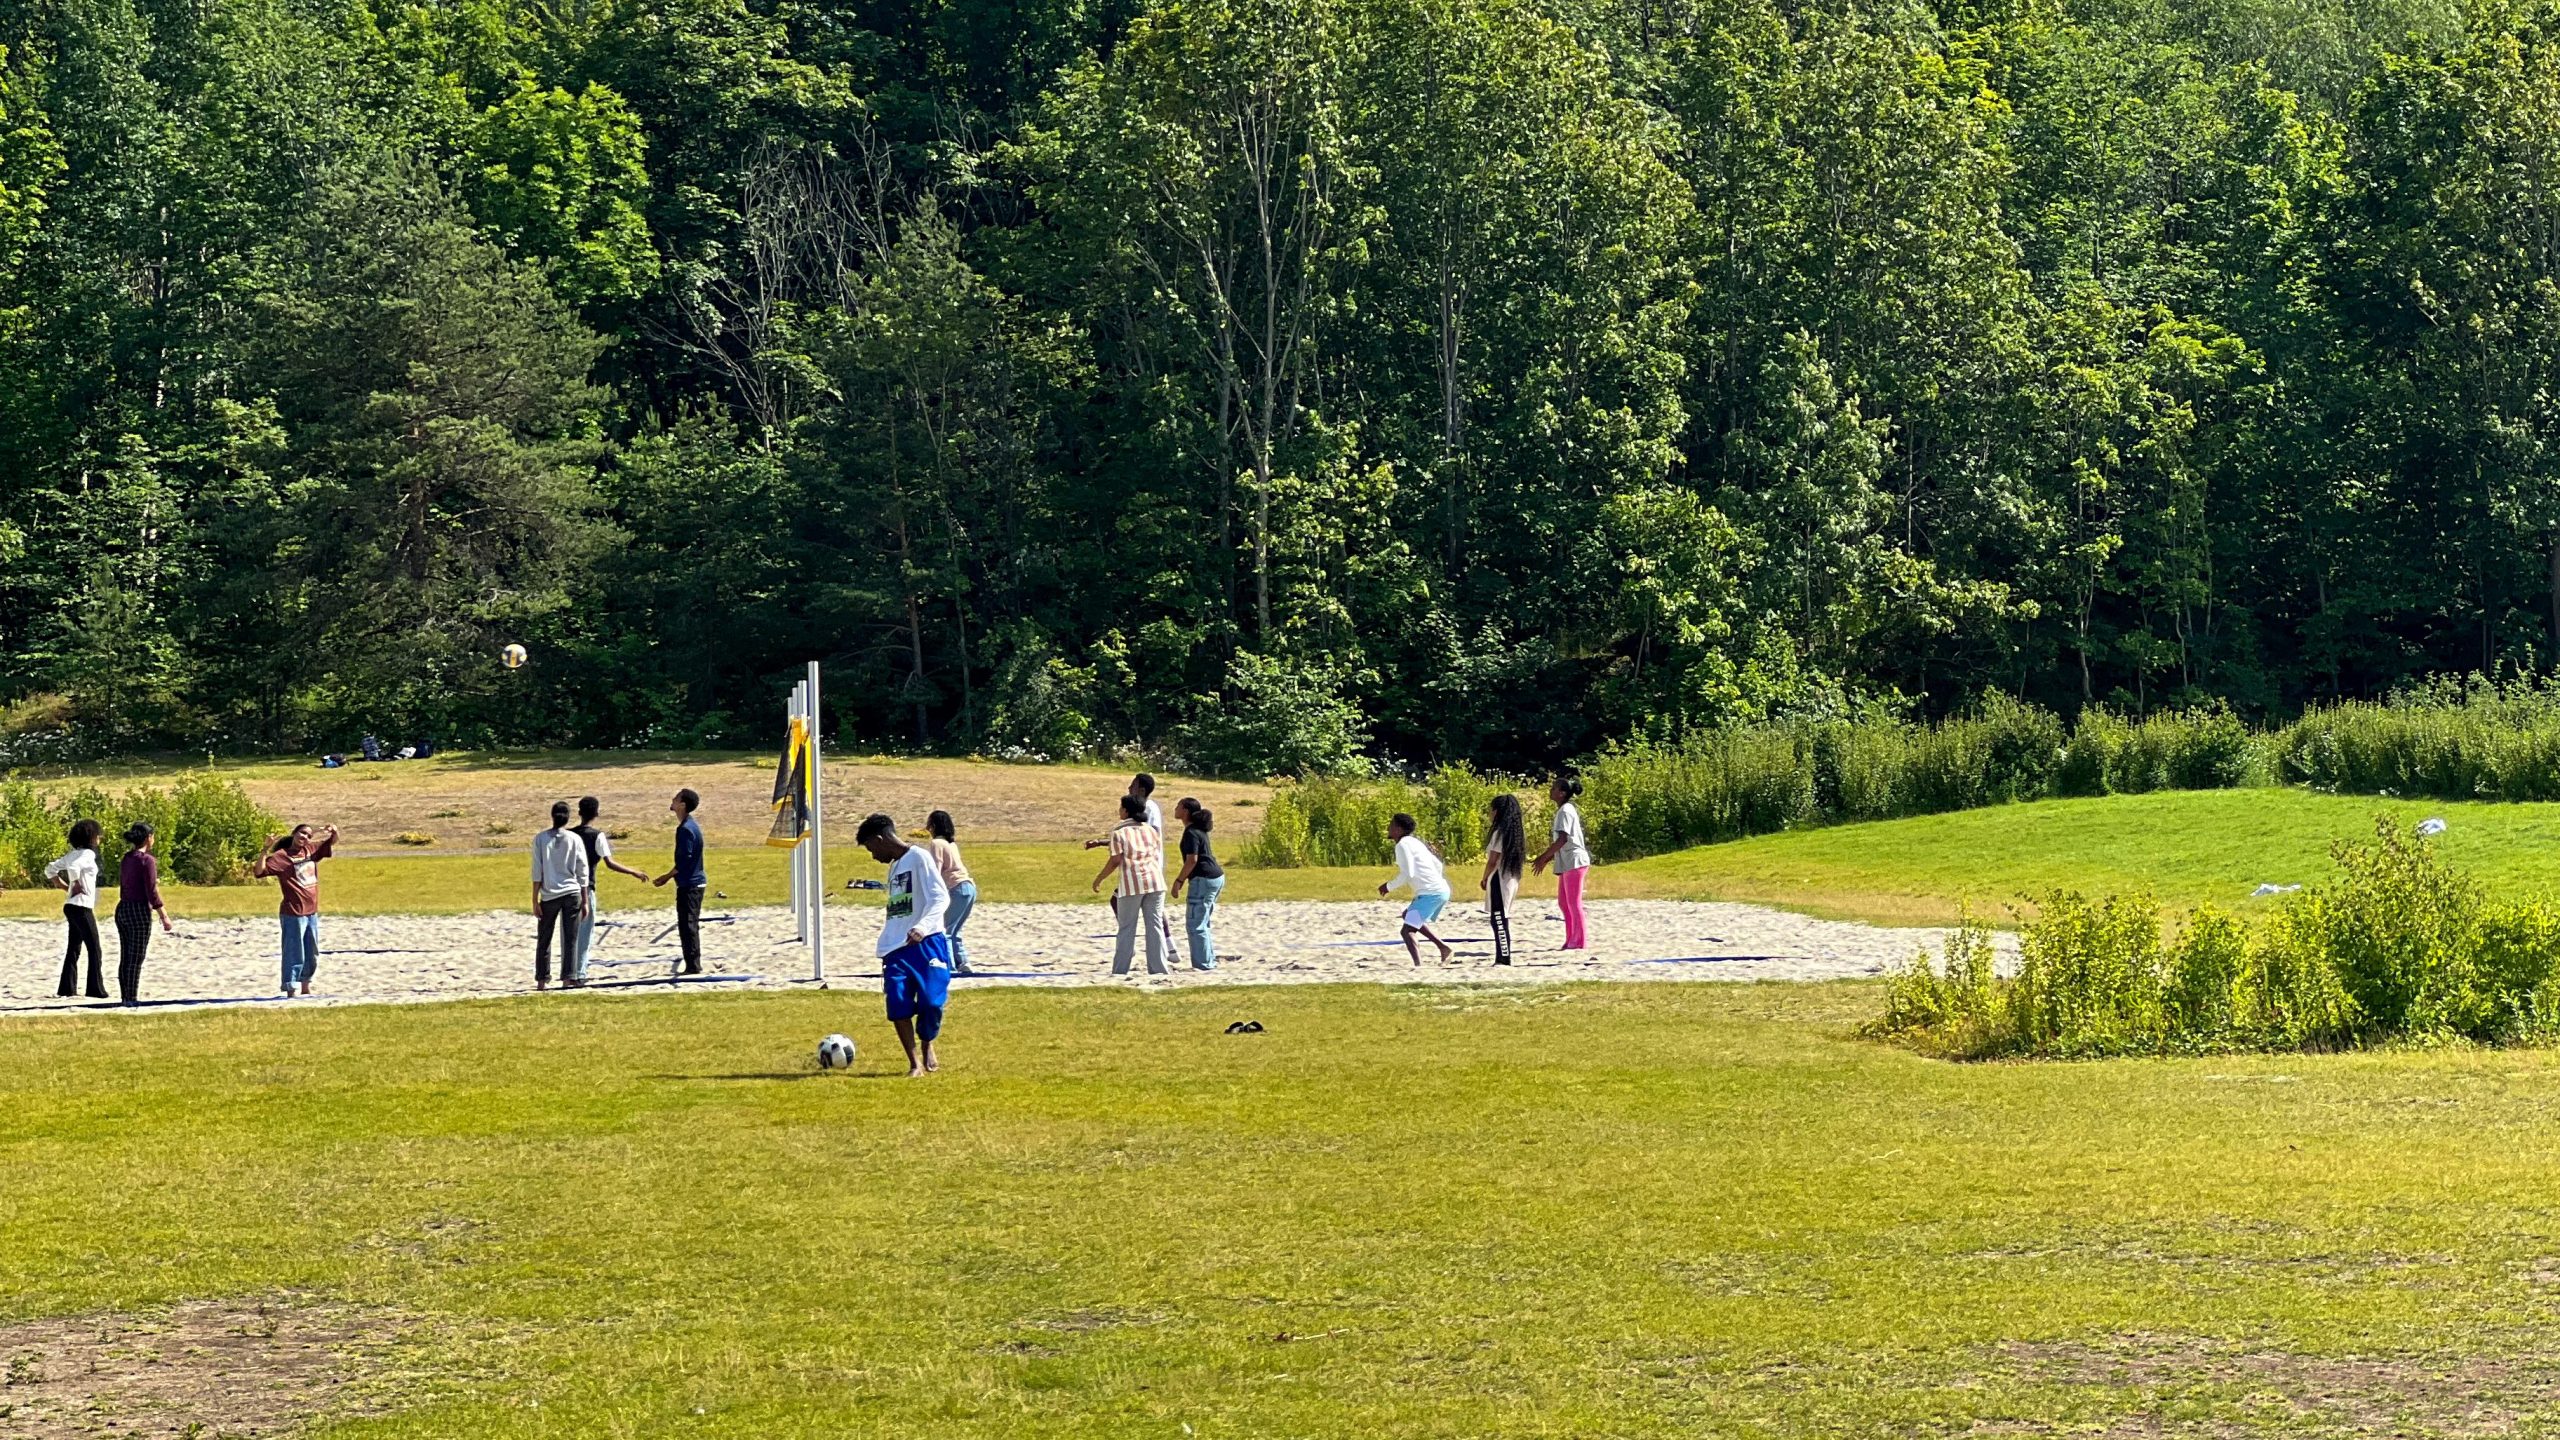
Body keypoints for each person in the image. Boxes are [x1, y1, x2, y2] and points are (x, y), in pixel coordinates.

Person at [857, 812, 953, 1077]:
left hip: (928, 942)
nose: (873, 856)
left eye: (871, 848)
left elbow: (940, 898)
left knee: (932, 1003)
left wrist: (922, 927)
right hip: (895, 948)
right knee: (898, 1003)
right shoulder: (895, 866)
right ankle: (914, 1064)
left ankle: (927, 1044)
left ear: (880, 839)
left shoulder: (919, 858)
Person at [571, 796, 649, 986]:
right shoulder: (597, 836)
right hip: (586, 888)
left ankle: (568, 972)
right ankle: (579, 973)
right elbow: (610, 863)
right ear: (596, 813)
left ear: (579, 812)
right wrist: (634, 872)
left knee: (569, 933)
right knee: (584, 933)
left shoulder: (569, 835)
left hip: (567, 889)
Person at [1091, 793, 1168, 976]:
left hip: (1132, 882)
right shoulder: (1151, 830)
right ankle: (1159, 968)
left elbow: (1115, 860)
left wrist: (1099, 878)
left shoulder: (1119, 833)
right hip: (1155, 881)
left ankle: (1120, 969)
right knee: (1154, 925)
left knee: (1127, 927)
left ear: (1126, 811)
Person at [256, 823, 337, 996]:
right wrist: (265, 849)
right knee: (294, 952)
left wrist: (334, 831)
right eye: (302, 833)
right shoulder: (282, 857)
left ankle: (306, 986)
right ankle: (291, 988)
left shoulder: (311, 850)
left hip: (311, 912)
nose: (305, 837)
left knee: (311, 952)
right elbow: (259, 871)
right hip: (293, 912)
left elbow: (331, 842)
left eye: (308, 835)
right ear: (294, 833)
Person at [1378, 811, 1453, 966]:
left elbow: (1408, 873)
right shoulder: (1414, 842)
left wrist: (1388, 886)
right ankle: (1443, 948)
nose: (1388, 828)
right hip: (1440, 890)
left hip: (1431, 893)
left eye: (1391, 825)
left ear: (1398, 829)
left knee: (1407, 931)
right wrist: (1428, 885)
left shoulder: (1402, 845)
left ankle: (1418, 966)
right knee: (1409, 916)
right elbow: (1438, 865)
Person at [112, 822, 175, 1006]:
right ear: (149, 838)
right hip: (139, 910)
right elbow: (151, 890)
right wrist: (163, 915)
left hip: (123, 907)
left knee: (126, 955)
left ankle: (125, 995)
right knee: (136, 956)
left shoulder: (127, 858)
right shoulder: (146, 861)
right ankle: (130, 997)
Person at [531, 800, 590, 991]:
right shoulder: (574, 839)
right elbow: (583, 871)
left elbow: (537, 870)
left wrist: (534, 899)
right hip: (572, 892)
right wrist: (586, 900)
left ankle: (542, 979)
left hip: (549, 894)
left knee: (544, 938)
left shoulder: (541, 839)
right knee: (570, 937)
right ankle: (568, 977)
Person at [44, 819, 105, 999]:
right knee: (94, 948)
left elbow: (50, 869)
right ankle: (95, 989)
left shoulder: (72, 854)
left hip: (71, 905)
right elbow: (73, 867)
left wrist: (61, 884)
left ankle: (67, 988)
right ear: (92, 837)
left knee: (74, 948)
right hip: (81, 906)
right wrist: (76, 883)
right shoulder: (87, 854)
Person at [1533, 775, 1593, 950]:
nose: (1551, 791)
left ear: (1562, 793)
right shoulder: (1564, 810)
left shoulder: (1566, 810)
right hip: (1566, 862)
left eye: (1554, 788)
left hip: (1574, 861)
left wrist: (1543, 857)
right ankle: (1570, 938)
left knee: (1574, 903)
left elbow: (1563, 839)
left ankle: (1579, 941)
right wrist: (1548, 858)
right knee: (1564, 903)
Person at [651, 788, 708, 975]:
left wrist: (666, 877)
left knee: (688, 925)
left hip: (690, 884)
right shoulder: (689, 825)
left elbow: (684, 860)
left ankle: (693, 966)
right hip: (692, 882)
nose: (672, 800)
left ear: (682, 805)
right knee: (688, 923)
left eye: (676, 798)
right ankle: (692, 964)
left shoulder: (685, 829)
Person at [1168, 797, 1223, 971]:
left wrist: (1179, 881)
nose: (1175, 809)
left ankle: (1203, 964)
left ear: (1185, 811)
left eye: (1178, 806)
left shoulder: (1192, 832)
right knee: (1203, 922)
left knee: (1195, 924)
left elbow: (1192, 860)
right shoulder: (1199, 830)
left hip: (1203, 878)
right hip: (1215, 877)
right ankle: (1208, 960)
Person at [923, 810, 978, 976]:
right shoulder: (951, 844)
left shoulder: (937, 844)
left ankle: (950, 966)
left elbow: (936, 871)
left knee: (945, 929)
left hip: (956, 888)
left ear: (933, 826)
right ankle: (963, 962)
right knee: (955, 930)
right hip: (969, 887)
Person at [1481, 794, 1525, 967]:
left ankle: (1503, 957)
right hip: (1511, 878)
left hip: (1499, 878)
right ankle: (1503, 955)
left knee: (1498, 919)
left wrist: (1484, 878)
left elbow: (1492, 861)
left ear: (1498, 811)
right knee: (1501, 917)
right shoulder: (1516, 833)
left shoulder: (1500, 833)